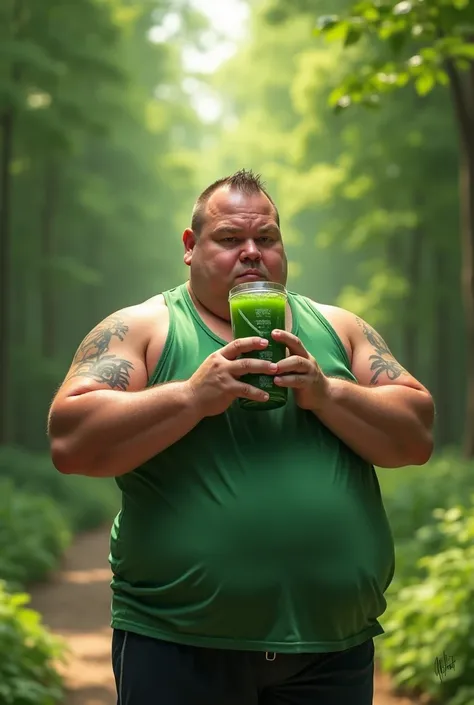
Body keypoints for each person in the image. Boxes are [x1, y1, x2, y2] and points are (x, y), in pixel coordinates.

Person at [47, 169, 435, 705]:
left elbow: (416, 434)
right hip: (178, 644)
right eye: (230, 239)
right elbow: (70, 440)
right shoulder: (143, 328)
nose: (251, 252)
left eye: (266, 238)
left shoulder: (337, 328)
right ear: (190, 246)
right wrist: (191, 396)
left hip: (331, 649)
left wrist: (328, 393)